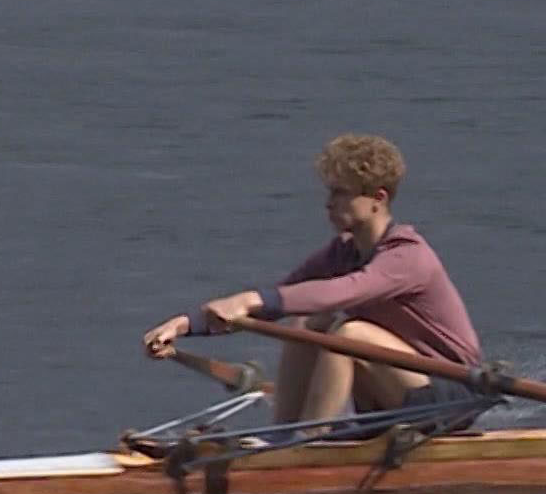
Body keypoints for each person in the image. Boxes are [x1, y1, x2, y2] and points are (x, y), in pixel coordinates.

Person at [143, 133, 484, 424]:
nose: (328, 204)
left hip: (452, 394)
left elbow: (347, 291)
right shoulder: (342, 253)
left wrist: (249, 298)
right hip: (399, 389)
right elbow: (282, 299)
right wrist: (185, 326)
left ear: (378, 198)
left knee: (350, 333)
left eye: (341, 193)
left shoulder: (407, 256)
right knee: (306, 324)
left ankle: (308, 441)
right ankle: (283, 436)